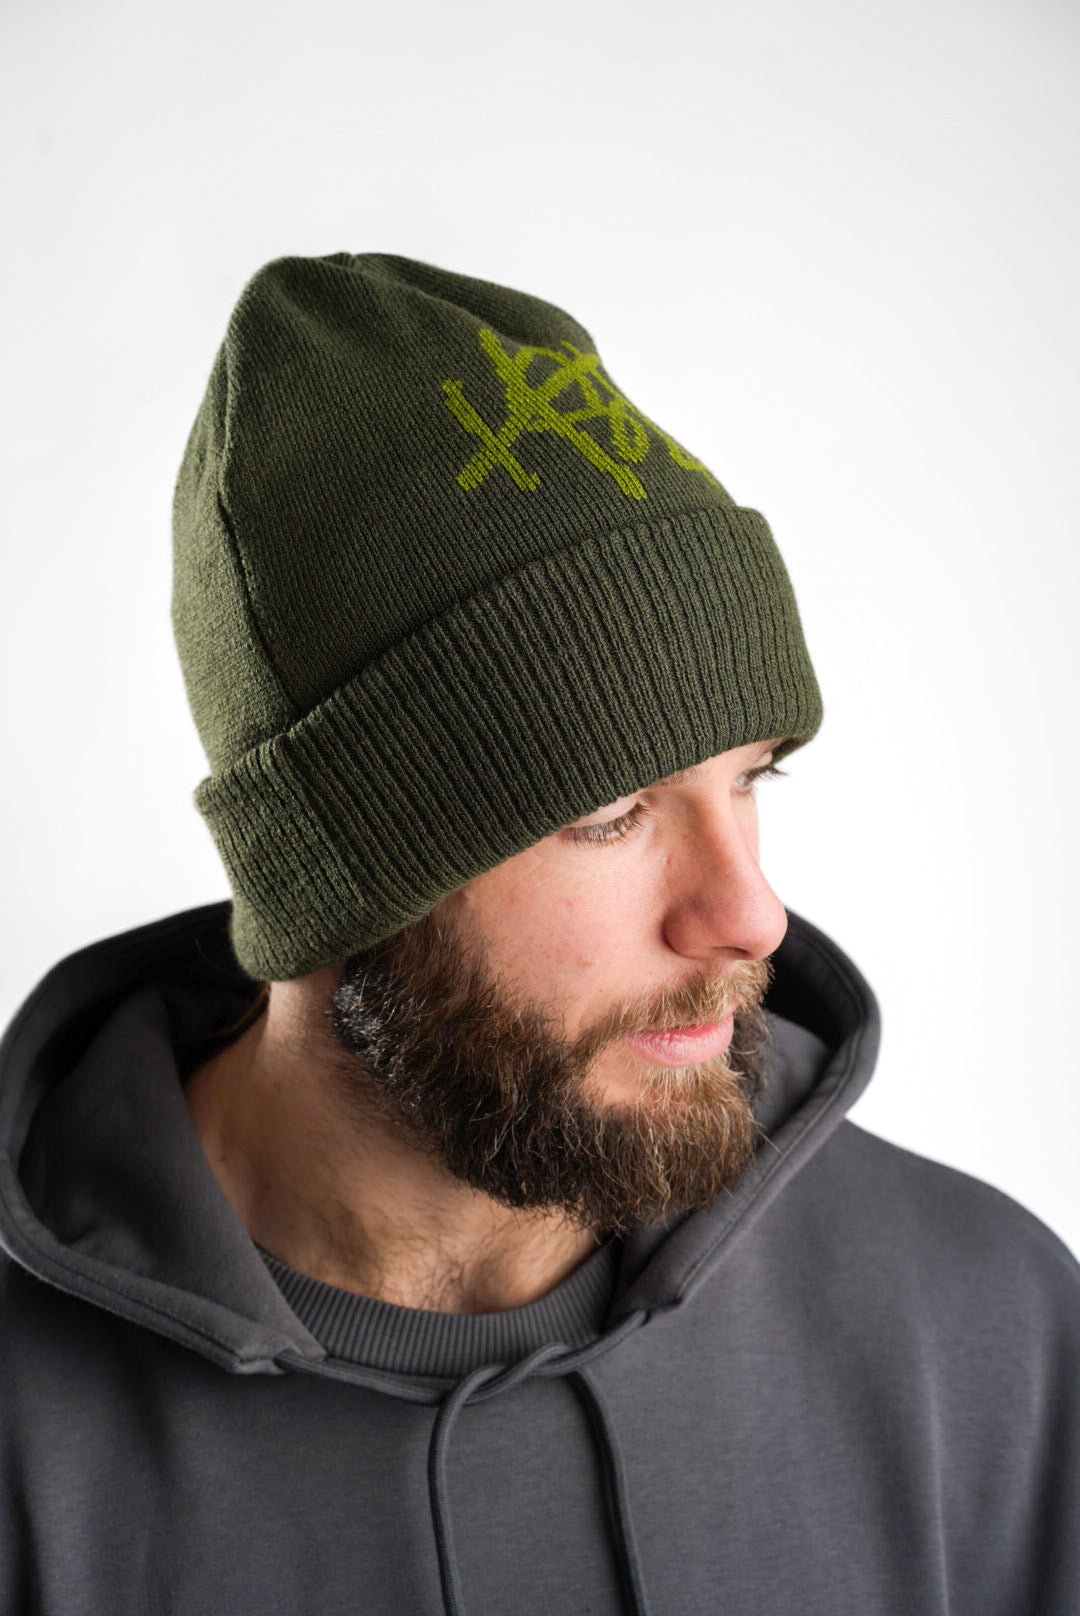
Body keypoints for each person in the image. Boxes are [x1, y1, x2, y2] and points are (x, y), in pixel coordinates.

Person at [1, 252, 1077, 1616]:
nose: (751, 915)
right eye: (611, 813)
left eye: (752, 778)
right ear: (336, 875)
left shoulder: (986, 1331)